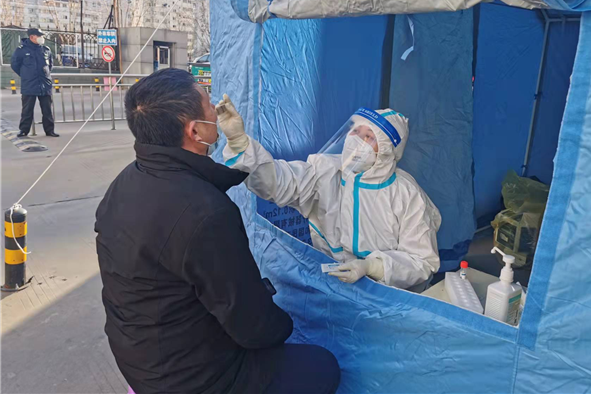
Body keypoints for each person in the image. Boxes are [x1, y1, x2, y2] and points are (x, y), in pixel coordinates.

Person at [95, 69, 340, 394]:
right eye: (209, 104)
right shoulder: (205, 213)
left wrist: (239, 143)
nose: (216, 110)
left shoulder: (127, 181)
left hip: (139, 356)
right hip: (189, 380)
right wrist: (285, 326)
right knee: (322, 366)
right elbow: (254, 327)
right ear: (195, 130)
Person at [217, 95, 442, 291]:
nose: (356, 140)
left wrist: (371, 266)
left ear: (386, 151)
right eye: (356, 131)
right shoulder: (327, 172)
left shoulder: (407, 194)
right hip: (335, 287)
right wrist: (239, 143)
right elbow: (279, 181)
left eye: (368, 137)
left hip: (391, 298)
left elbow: (422, 261)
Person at [10, 28, 59, 138]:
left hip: (44, 84)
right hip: (29, 84)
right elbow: (15, 65)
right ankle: (24, 130)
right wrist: (26, 75)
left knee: (47, 109)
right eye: (39, 36)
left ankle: (49, 130)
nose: (42, 38)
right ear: (32, 37)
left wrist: (45, 75)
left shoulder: (46, 50)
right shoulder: (21, 50)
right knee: (27, 109)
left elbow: (50, 65)